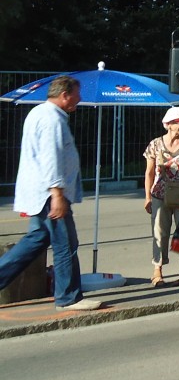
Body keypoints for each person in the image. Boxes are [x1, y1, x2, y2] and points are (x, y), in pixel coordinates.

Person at [0, 76, 104, 311]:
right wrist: (57, 193)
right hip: (49, 194)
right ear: (65, 95)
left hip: (41, 192)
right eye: (77, 94)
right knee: (66, 244)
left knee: (34, 241)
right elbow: (50, 156)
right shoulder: (51, 119)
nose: (80, 99)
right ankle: (68, 297)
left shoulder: (41, 114)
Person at [144, 105, 179, 287]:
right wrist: (147, 197)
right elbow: (149, 172)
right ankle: (157, 272)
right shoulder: (155, 144)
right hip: (160, 195)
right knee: (159, 233)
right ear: (168, 124)